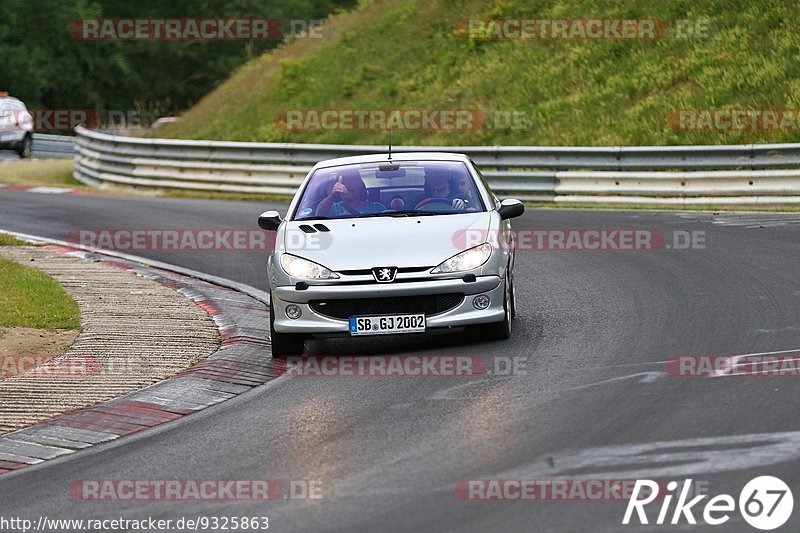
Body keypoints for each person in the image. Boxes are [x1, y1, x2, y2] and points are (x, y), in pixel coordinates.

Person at [315, 168, 385, 217]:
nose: (347, 187)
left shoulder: (377, 208)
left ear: (360, 186)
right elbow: (318, 215)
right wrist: (331, 196)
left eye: (351, 183)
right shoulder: (332, 207)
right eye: (344, 183)